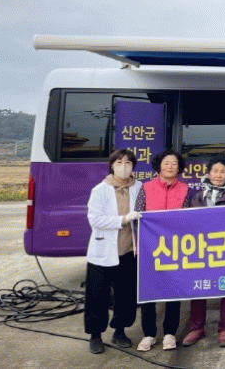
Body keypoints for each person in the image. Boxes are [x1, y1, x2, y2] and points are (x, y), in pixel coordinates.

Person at [135, 149, 194, 352]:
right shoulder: (146, 187)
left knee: (173, 291)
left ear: (179, 168)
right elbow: (138, 216)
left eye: (174, 164)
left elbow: (187, 219)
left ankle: (170, 333)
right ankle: (149, 334)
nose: (170, 167)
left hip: (175, 248)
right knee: (149, 292)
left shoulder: (185, 189)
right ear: (159, 166)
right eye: (166, 163)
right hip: (149, 247)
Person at [84, 149, 142, 354]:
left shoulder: (139, 188)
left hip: (128, 250)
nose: (123, 167)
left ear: (133, 166)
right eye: (119, 163)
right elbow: (95, 220)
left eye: (128, 163)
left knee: (126, 295)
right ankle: (95, 334)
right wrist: (123, 219)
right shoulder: (100, 190)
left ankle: (120, 331)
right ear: (111, 166)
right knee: (97, 294)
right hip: (103, 251)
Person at [182, 154, 225, 348]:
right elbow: (189, 223)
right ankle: (196, 328)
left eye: (223, 171)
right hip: (201, 249)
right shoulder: (197, 197)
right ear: (208, 173)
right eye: (215, 171)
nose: (218, 175)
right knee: (199, 287)